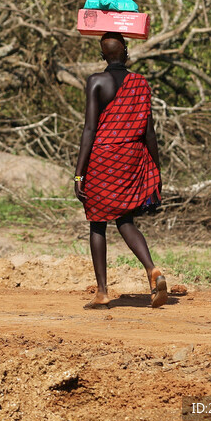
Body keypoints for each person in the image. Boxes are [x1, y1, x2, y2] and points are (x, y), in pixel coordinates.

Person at [74, 32, 167, 309]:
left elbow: (89, 129)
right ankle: (152, 269)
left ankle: (102, 292)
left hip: (102, 159)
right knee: (125, 220)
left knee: (98, 223)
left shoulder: (96, 81)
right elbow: (149, 131)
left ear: (103, 56)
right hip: (131, 157)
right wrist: (156, 165)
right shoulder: (140, 82)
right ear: (126, 53)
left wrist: (79, 173)